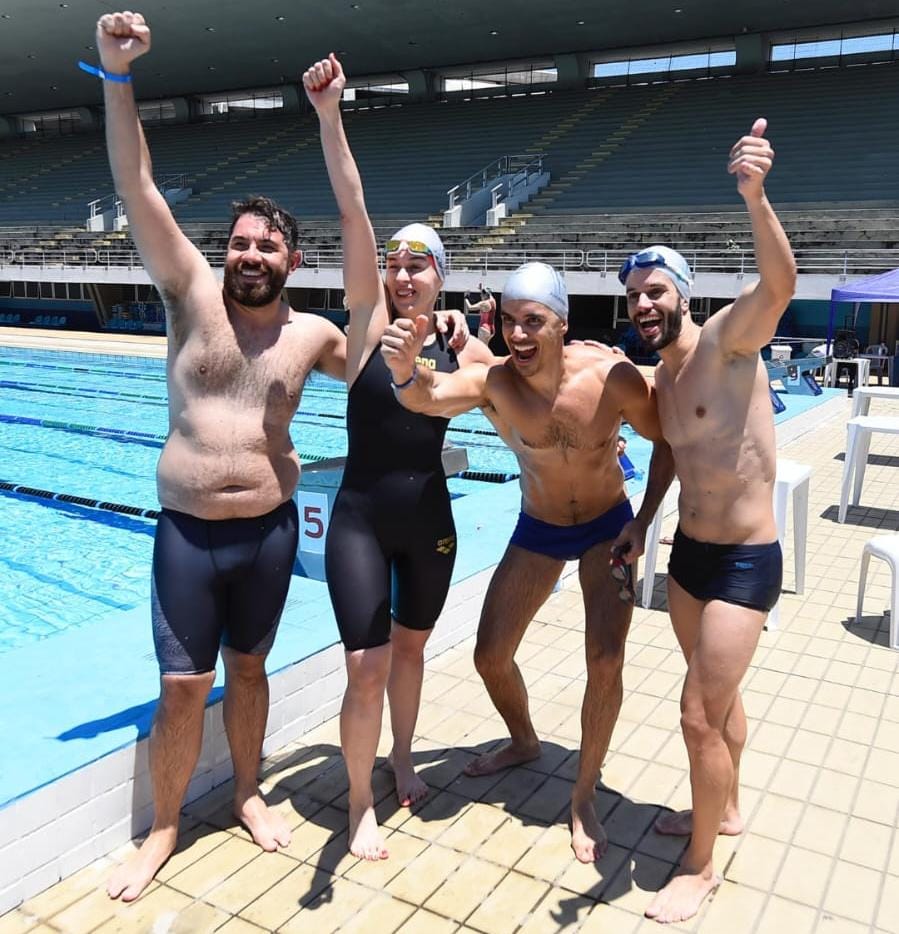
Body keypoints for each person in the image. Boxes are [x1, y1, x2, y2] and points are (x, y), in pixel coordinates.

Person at [95, 13, 349, 902]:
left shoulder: (315, 332)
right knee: (179, 687)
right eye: (238, 242)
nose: (246, 255)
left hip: (269, 534)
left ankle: (245, 793)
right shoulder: (191, 297)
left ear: (292, 258)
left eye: (264, 245)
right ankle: (163, 828)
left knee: (249, 669)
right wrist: (118, 75)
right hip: (190, 539)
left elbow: (395, 378)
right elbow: (137, 186)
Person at [381, 260, 674, 863]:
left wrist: (644, 523)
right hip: (538, 527)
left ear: (561, 325)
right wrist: (407, 372)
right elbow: (431, 397)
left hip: (606, 529)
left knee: (605, 660)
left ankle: (584, 794)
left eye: (533, 322)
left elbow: (667, 440)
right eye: (509, 321)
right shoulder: (496, 385)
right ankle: (524, 741)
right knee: (490, 655)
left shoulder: (610, 377)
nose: (518, 334)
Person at [302, 54, 494, 861]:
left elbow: (521, 390)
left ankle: (403, 758)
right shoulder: (363, 316)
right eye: (396, 261)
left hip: (428, 520)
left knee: (410, 649)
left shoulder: (464, 354)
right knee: (363, 663)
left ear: (439, 277)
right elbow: (353, 210)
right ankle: (355, 804)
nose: (403, 272)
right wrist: (330, 114)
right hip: (357, 516)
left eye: (419, 263)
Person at [617, 119, 796, 924]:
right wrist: (642, 524)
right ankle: (721, 806)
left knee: (695, 713)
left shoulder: (727, 341)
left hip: (743, 563)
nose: (643, 304)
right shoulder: (658, 381)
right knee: (717, 705)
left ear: (682, 294)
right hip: (689, 556)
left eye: (655, 291)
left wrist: (754, 196)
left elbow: (781, 283)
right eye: (633, 296)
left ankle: (699, 865)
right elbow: (668, 460)